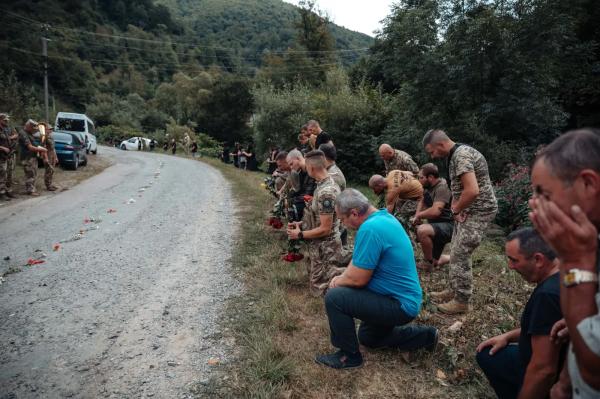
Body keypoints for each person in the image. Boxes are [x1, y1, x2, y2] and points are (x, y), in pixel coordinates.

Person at [315, 188, 438, 369]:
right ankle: (426, 336)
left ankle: (349, 357)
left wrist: (338, 281)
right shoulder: (383, 217)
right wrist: (343, 276)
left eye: (342, 219)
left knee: (335, 298)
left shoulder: (370, 229)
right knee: (368, 338)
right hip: (404, 300)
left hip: (398, 304)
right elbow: (358, 262)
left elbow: (359, 280)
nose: (343, 224)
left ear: (354, 213)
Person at [528, 128, 600, 398]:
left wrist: (573, 260)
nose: (535, 204)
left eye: (543, 193)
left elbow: (594, 369)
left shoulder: (578, 253)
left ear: (588, 185)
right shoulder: (590, 238)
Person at [476, 227, 564, 399]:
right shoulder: (565, 274)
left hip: (544, 372)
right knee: (487, 355)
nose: (510, 266)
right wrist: (508, 336)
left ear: (538, 259)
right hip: (534, 354)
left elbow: (544, 370)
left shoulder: (548, 296)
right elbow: (547, 329)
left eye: (514, 260)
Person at [422, 129, 498, 314]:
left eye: (431, 151)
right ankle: (454, 289)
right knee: (455, 249)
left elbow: (472, 191)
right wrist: (458, 208)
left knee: (461, 252)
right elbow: (459, 188)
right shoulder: (454, 155)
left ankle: (462, 300)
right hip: (468, 210)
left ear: (440, 144)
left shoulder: (461, 155)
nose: (432, 156)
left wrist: (455, 209)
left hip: (479, 211)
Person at [287, 150, 349, 296]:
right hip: (319, 245)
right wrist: (301, 224)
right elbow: (318, 216)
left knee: (319, 290)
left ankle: (345, 273)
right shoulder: (322, 184)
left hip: (326, 248)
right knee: (315, 284)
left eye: (307, 167)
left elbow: (325, 229)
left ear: (311, 168)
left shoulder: (326, 192)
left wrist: (300, 234)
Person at [414, 163, 454, 271]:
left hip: (449, 226)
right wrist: (417, 216)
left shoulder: (442, 187)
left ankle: (428, 262)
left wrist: (419, 215)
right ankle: (452, 258)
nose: (418, 180)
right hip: (436, 225)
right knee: (437, 263)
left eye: (421, 177)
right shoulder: (427, 187)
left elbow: (436, 211)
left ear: (430, 177)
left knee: (422, 230)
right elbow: (422, 200)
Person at [368, 171, 423, 237]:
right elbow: (410, 173)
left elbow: (388, 214)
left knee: (400, 219)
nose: (374, 192)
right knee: (398, 207)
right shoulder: (392, 172)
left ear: (380, 185)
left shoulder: (392, 190)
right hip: (416, 190)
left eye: (374, 189)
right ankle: (415, 225)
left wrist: (379, 224)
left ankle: (408, 238)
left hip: (420, 199)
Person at [18, 119, 47, 196]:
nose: (34, 130)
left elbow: (34, 144)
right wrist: (41, 149)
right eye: (32, 128)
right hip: (27, 157)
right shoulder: (23, 133)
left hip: (32, 156)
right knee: (30, 173)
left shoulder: (29, 133)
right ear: (28, 126)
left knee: (33, 173)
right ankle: (30, 190)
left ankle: (32, 188)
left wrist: (41, 148)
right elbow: (30, 147)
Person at [286, 149, 316, 222]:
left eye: (291, 164)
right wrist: (288, 197)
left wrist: (291, 200)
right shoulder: (301, 171)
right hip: (308, 199)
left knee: (296, 207)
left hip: (314, 200)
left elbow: (307, 194)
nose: (291, 167)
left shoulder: (311, 170)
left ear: (298, 158)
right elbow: (300, 190)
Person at [0, 113, 17, 200]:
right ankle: (2, 192)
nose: (7, 121)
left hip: (9, 155)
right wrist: (2, 148)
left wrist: (10, 138)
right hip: (1, 156)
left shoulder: (8, 128)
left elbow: (16, 135)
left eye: (7, 120)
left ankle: (8, 190)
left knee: (10, 174)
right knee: (2, 174)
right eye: (5, 120)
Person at [41, 123, 59, 192]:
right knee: (48, 170)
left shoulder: (51, 137)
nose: (51, 130)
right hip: (47, 154)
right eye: (49, 129)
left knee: (52, 171)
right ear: (46, 129)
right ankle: (48, 185)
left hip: (52, 154)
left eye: (51, 129)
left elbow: (53, 148)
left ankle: (50, 184)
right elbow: (43, 148)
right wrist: (45, 158)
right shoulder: (43, 137)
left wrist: (56, 157)